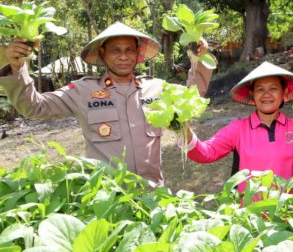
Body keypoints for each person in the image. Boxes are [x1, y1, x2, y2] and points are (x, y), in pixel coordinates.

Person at [0, 22, 213, 183]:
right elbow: (34, 107)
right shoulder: (83, 91)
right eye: (115, 50)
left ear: (138, 53)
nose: (123, 56)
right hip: (106, 197)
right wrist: (16, 67)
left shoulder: (156, 88)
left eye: (129, 50)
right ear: (103, 54)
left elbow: (190, 100)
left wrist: (199, 61)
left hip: (152, 195)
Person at [184, 62, 293, 193]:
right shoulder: (238, 129)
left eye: (273, 88)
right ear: (252, 94)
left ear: (284, 93)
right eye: (260, 89)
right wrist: (183, 128)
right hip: (249, 217)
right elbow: (205, 153)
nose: (266, 95)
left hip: (285, 214)